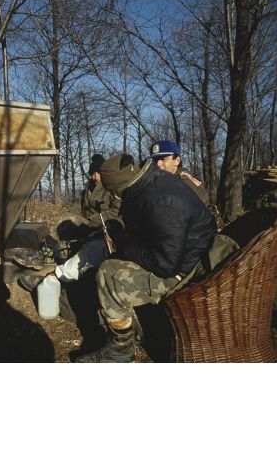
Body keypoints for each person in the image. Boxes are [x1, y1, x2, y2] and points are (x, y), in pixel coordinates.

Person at [74, 153, 220, 363]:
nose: (115, 197)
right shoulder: (152, 181)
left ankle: (121, 351)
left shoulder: (162, 201)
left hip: (186, 270)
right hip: (183, 255)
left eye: (114, 192)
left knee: (109, 273)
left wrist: (125, 248)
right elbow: (155, 231)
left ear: (120, 187)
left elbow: (166, 265)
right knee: (115, 258)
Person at [148, 140, 210, 206]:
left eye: (163, 159)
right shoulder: (159, 179)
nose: (158, 164)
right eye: (155, 160)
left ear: (177, 161)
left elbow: (204, 209)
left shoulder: (185, 183)